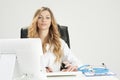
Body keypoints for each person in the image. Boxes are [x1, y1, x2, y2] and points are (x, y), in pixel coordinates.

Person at [27, 7, 80, 72]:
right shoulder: (28, 43)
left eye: (47, 17)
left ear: (51, 21)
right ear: (36, 20)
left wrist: (74, 66)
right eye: (40, 17)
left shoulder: (59, 43)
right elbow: (22, 66)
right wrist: (41, 70)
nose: (44, 20)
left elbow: (76, 61)